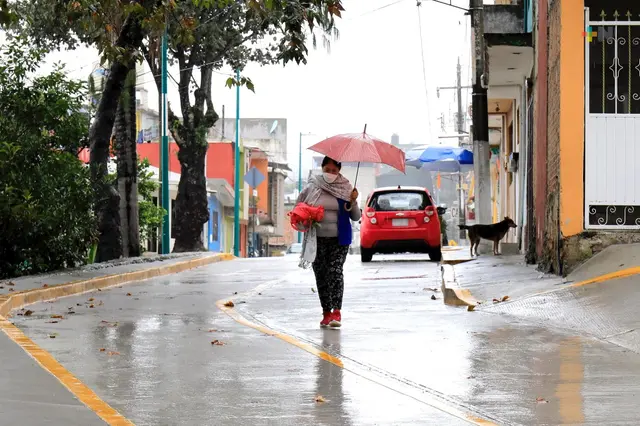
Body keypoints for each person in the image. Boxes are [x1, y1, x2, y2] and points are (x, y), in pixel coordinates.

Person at [296, 156, 361, 328]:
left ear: (339, 171)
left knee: (335, 270)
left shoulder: (346, 188)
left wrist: (353, 201)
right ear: (322, 168)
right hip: (316, 239)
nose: (330, 174)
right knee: (322, 275)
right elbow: (299, 208)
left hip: (339, 239)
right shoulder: (312, 187)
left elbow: (356, 216)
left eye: (334, 171)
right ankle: (326, 312)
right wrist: (306, 214)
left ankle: (336, 312)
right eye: (327, 170)